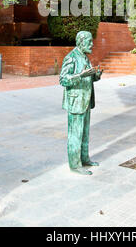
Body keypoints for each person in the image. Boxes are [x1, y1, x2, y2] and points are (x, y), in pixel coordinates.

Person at [60, 30, 103, 175]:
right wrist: (80, 75)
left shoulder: (84, 57)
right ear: (81, 42)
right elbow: (63, 79)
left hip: (85, 100)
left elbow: (87, 78)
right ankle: (75, 165)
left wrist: (95, 76)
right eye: (89, 41)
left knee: (85, 134)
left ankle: (84, 159)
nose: (92, 44)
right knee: (75, 135)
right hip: (76, 102)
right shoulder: (71, 58)